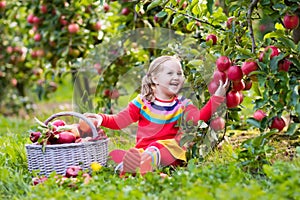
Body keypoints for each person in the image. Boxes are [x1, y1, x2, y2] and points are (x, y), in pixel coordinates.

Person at [83, 55, 229, 176]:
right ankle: (129, 166)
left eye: (179, 73)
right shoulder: (142, 102)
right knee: (120, 154)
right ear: (155, 79)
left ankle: (136, 169)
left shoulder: (183, 104)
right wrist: (101, 118)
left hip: (170, 151)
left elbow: (199, 118)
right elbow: (120, 120)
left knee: (155, 149)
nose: (176, 77)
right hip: (144, 150)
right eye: (170, 73)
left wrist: (217, 97)